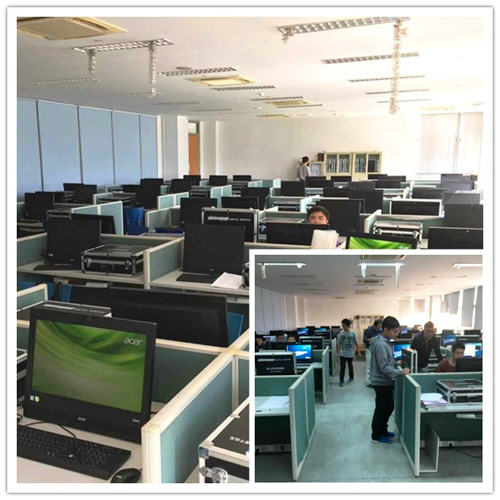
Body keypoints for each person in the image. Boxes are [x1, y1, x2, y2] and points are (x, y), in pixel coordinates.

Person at [370, 316, 411, 444]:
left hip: (383, 380)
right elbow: (384, 367)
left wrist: (395, 362)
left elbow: (387, 360)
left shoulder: (385, 341)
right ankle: (376, 435)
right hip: (381, 381)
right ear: (385, 330)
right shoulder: (382, 344)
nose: (396, 334)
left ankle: (383, 430)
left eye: (398, 331)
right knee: (382, 408)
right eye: (394, 331)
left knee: (387, 407)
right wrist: (400, 372)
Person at [337, 318, 360, 387]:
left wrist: (358, 351)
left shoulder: (353, 333)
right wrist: (338, 352)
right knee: (342, 367)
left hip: (350, 353)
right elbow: (339, 343)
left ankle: (351, 377)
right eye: (342, 325)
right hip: (342, 353)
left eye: (344, 325)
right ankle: (341, 380)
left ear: (348, 325)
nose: (343, 327)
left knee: (350, 366)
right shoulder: (341, 333)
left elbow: (356, 343)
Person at [363, 319, 383, 388]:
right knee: (369, 366)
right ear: (376, 324)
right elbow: (365, 340)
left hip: (377, 350)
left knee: (376, 366)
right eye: (380, 325)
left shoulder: (379, 331)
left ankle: (375, 380)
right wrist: (372, 339)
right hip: (369, 350)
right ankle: (368, 382)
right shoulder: (368, 330)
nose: (381, 327)